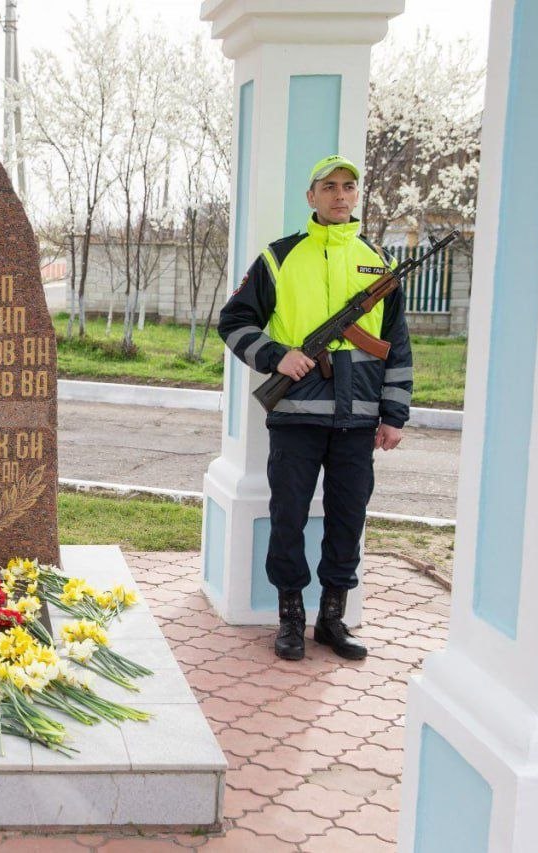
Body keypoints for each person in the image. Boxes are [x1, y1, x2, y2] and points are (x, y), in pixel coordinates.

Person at [217, 154, 412, 663]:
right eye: (329, 186)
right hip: (297, 418)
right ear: (311, 196)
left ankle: (331, 619)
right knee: (288, 519)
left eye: (348, 186)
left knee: (348, 519)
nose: (340, 195)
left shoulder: (379, 264)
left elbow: (398, 346)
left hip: (359, 421)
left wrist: (393, 415)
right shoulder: (279, 258)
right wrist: (281, 358)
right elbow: (234, 322)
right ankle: (290, 617)